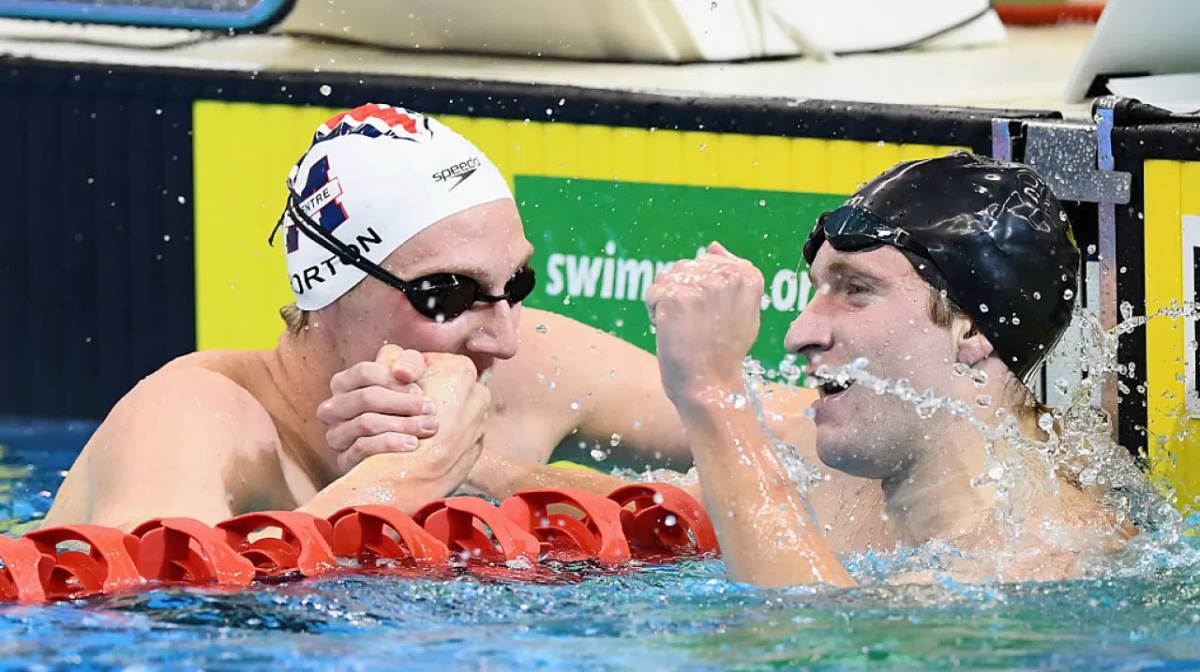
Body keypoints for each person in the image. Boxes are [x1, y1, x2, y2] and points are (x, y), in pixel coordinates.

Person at [42, 103, 813, 531]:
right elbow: (147, 608)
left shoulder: (518, 362)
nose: (502, 333)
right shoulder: (193, 420)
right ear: (327, 290)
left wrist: (709, 384)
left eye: (516, 284)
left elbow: (825, 453)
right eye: (446, 294)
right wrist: (407, 477)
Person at [646, 151, 1132, 586]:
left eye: (856, 290)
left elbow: (812, 649)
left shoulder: (1045, 563)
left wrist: (709, 392)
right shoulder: (826, 477)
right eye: (818, 290)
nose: (799, 334)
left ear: (970, 329)